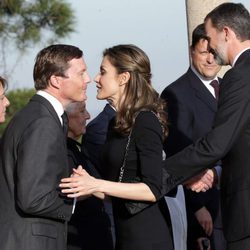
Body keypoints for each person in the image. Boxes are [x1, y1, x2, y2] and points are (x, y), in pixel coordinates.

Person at [60, 44, 174, 250]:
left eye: (103, 72)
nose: (95, 78)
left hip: (148, 238)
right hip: (124, 237)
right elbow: (119, 191)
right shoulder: (116, 123)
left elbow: (152, 189)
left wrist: (96, 184)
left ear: (123, 78)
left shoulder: (146, 120)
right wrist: (86, 186)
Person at [163, 3, 250, 250]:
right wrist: (215, 174)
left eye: (211, 39)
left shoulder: (239, 75)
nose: (210, 48)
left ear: (226, 33)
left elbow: (216, 144)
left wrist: (162, 174)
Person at [0, 44, 90, 250]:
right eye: (81, 73)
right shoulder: (42, 121)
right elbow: (33, 198)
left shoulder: (41, 116)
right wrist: (77, 195)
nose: (88, 79)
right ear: (56, 80)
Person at [161, 23, 224, 250]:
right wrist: (197, 207)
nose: (210, 59)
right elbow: (178, 154)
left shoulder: (229, 90)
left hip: (236, 200)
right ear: (191, 51)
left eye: (214, 53)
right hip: (204, 210)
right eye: (204, 52)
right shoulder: (175, 93)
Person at [66, 101, 113, 250]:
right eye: (81, 111)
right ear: (65, 117)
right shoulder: (63, 153)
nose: (88, 115)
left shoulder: (75, 149)